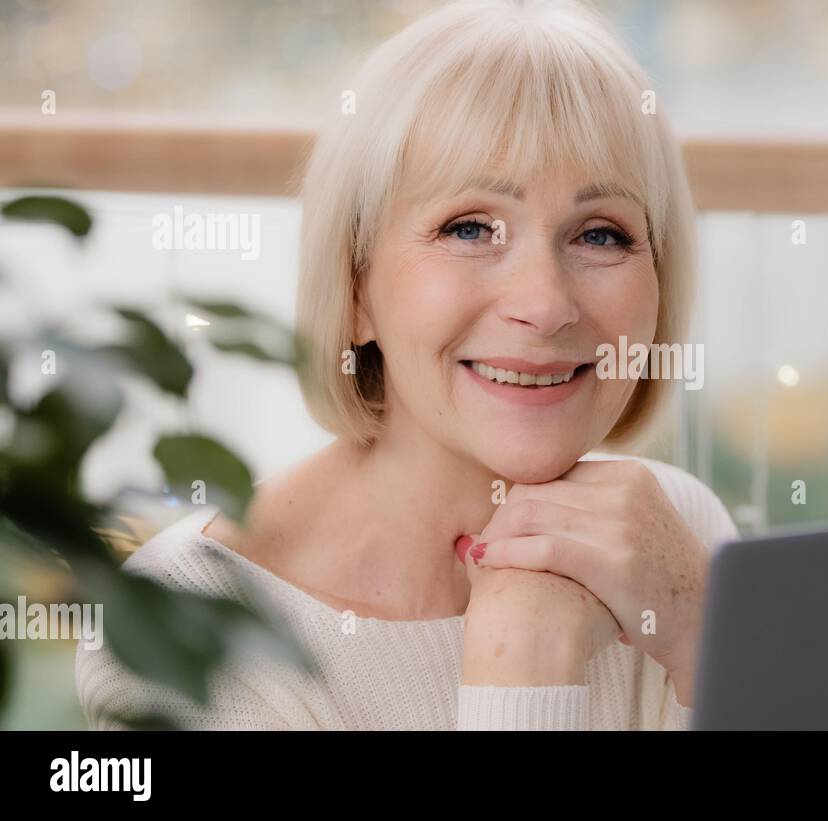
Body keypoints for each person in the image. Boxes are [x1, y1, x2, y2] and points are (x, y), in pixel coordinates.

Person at [76, 0, 738, 730]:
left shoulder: (673, 533)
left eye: (601, 234)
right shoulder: (185, 626)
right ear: (356, 285)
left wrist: (707, 642)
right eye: (470, 227)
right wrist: (520, 673)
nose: (546, 305)